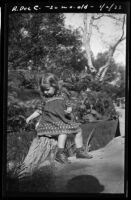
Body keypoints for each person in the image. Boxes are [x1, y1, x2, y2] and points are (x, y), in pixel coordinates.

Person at [26, 73, 93, 164]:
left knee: (78, 130)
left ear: (55, 85)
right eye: (43, 90)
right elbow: (39, 111)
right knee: (63, 132)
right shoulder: (45, 99)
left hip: (62, 120)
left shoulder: (63, 96)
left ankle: (79, 151)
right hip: (50, 122)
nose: (45, 92)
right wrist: (30, 117)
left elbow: (68, 105)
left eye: (47, 89)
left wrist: (69, 110)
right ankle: (60, 154)